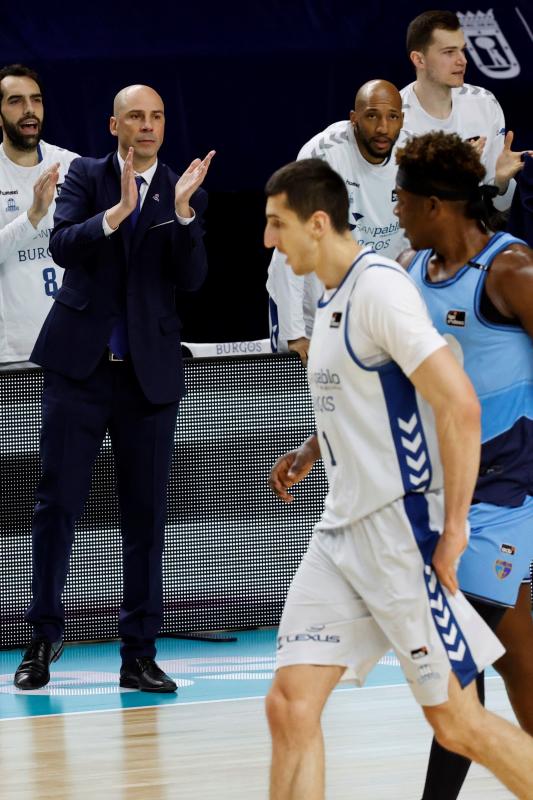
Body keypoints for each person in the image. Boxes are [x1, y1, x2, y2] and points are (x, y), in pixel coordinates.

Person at [264, 157, 533, 800]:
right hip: (339, 533)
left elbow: (458, 404)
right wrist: (310, 452)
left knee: (461, 724)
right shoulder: (338, 292)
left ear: (318, 223)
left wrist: (457, 524)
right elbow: (360, 404)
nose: (269, 239)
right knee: (289, 704)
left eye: (277, 225)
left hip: (400, 531)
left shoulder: (381, 287)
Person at [13, 83, 215, 693]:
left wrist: (182, 216)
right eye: (136, 116)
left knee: (147, 518)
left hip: (147, 375)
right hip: (79, 367)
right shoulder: (84, 176)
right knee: (56, 507)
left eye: (156, 115)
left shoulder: (185, 188)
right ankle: (43, 641)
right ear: (113, 125)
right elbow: (63, 244)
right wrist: (115, 215)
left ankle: (139, 654)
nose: (148, 125)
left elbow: (193, 278)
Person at [395, 131, 533, 799]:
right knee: (521, 665)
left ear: (434, 206)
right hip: (443, 493)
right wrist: (312, 447)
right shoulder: (409, 268)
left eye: (401, 197)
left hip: (505, 495)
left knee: (459, 666)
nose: (392, 207)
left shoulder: (512, 272)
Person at [267, 79, 406, 364]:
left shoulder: (414, 155)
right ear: (353, 119)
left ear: (402, 120)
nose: (382, 128)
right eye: (371, 116)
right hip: (315, 304)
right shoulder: (321, 157)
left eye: (392, 117)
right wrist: (295, 333)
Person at [0, 63, 78, 368]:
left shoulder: (73, 167)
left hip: (74, 345)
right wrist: (33, 215)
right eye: (16, 101)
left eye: (36, 99)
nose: (29, 109)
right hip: (14, 352)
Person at [401, 10, 515, 210]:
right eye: (449, 52)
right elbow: (397, 211)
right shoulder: (395, 119)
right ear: (419, 60)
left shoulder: (485, 103)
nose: (463, 60)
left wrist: (502, 182)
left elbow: (499, 207)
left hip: (477, 235)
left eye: (463, 50)